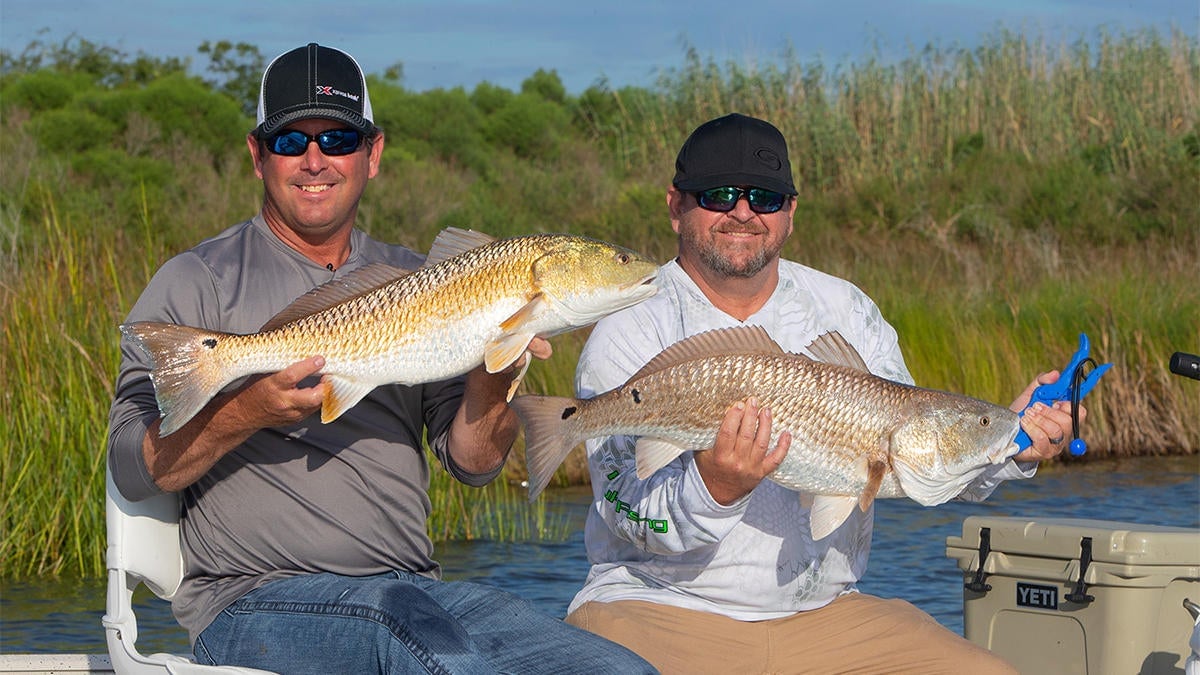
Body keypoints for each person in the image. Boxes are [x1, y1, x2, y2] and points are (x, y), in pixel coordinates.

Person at [107, 42, 655, 674]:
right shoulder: (196, 280)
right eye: (290, 141)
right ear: (257, 156)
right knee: (418, 639)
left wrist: (493, 372)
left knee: (621, 670)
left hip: (416, 591)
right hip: (253, 602)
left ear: (373, 154)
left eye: (339, 139)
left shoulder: (425, 279)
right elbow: (132, 467)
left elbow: (475, 463)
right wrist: (250, 410)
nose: (315, 160)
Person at [562, 112, 1084, 674]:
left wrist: (1007, 443)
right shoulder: (630, 325)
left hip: (826, 617)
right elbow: (627, 515)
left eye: (765, 197)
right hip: (655, 606)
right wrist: (714, 489)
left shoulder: (847, 310)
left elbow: (920, 465)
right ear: (675, 206)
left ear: (790, 212)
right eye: (719, 194)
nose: (743, 212)